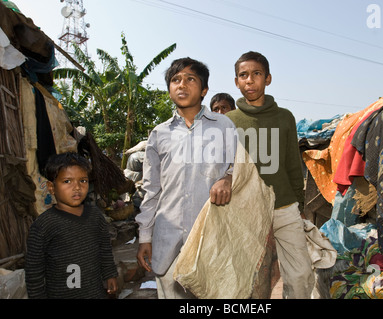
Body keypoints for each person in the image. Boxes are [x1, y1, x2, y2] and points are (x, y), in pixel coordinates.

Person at [136, 57, 236, 299]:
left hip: (212, 237)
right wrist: (145, 237)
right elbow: (151, 189)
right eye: (175, 80)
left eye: (190, 79)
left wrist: (229, 178)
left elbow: (242, 167)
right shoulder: (159, 134)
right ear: (169, 88)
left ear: (203, 90)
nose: (182, 85)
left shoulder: (224, 126)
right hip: (168, 238)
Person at [226, 51, 314, 299]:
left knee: (300, 273)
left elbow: (293, 165)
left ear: (268, 78)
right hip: (245, 210)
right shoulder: (228, 122)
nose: (250, 80)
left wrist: (300, 204)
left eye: (256, 74)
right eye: (243, 75)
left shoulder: (284, 117)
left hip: (284, 206)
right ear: (236, 82)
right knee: (251, 278)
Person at [25, 152, 118, 299]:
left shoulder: (95, 216)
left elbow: (105, 249)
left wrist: (110, 274)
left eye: (83, 181)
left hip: (95, 292)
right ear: (51, 187)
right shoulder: (43, 225)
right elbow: (34, 272)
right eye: (67, 181)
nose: (77, 187)